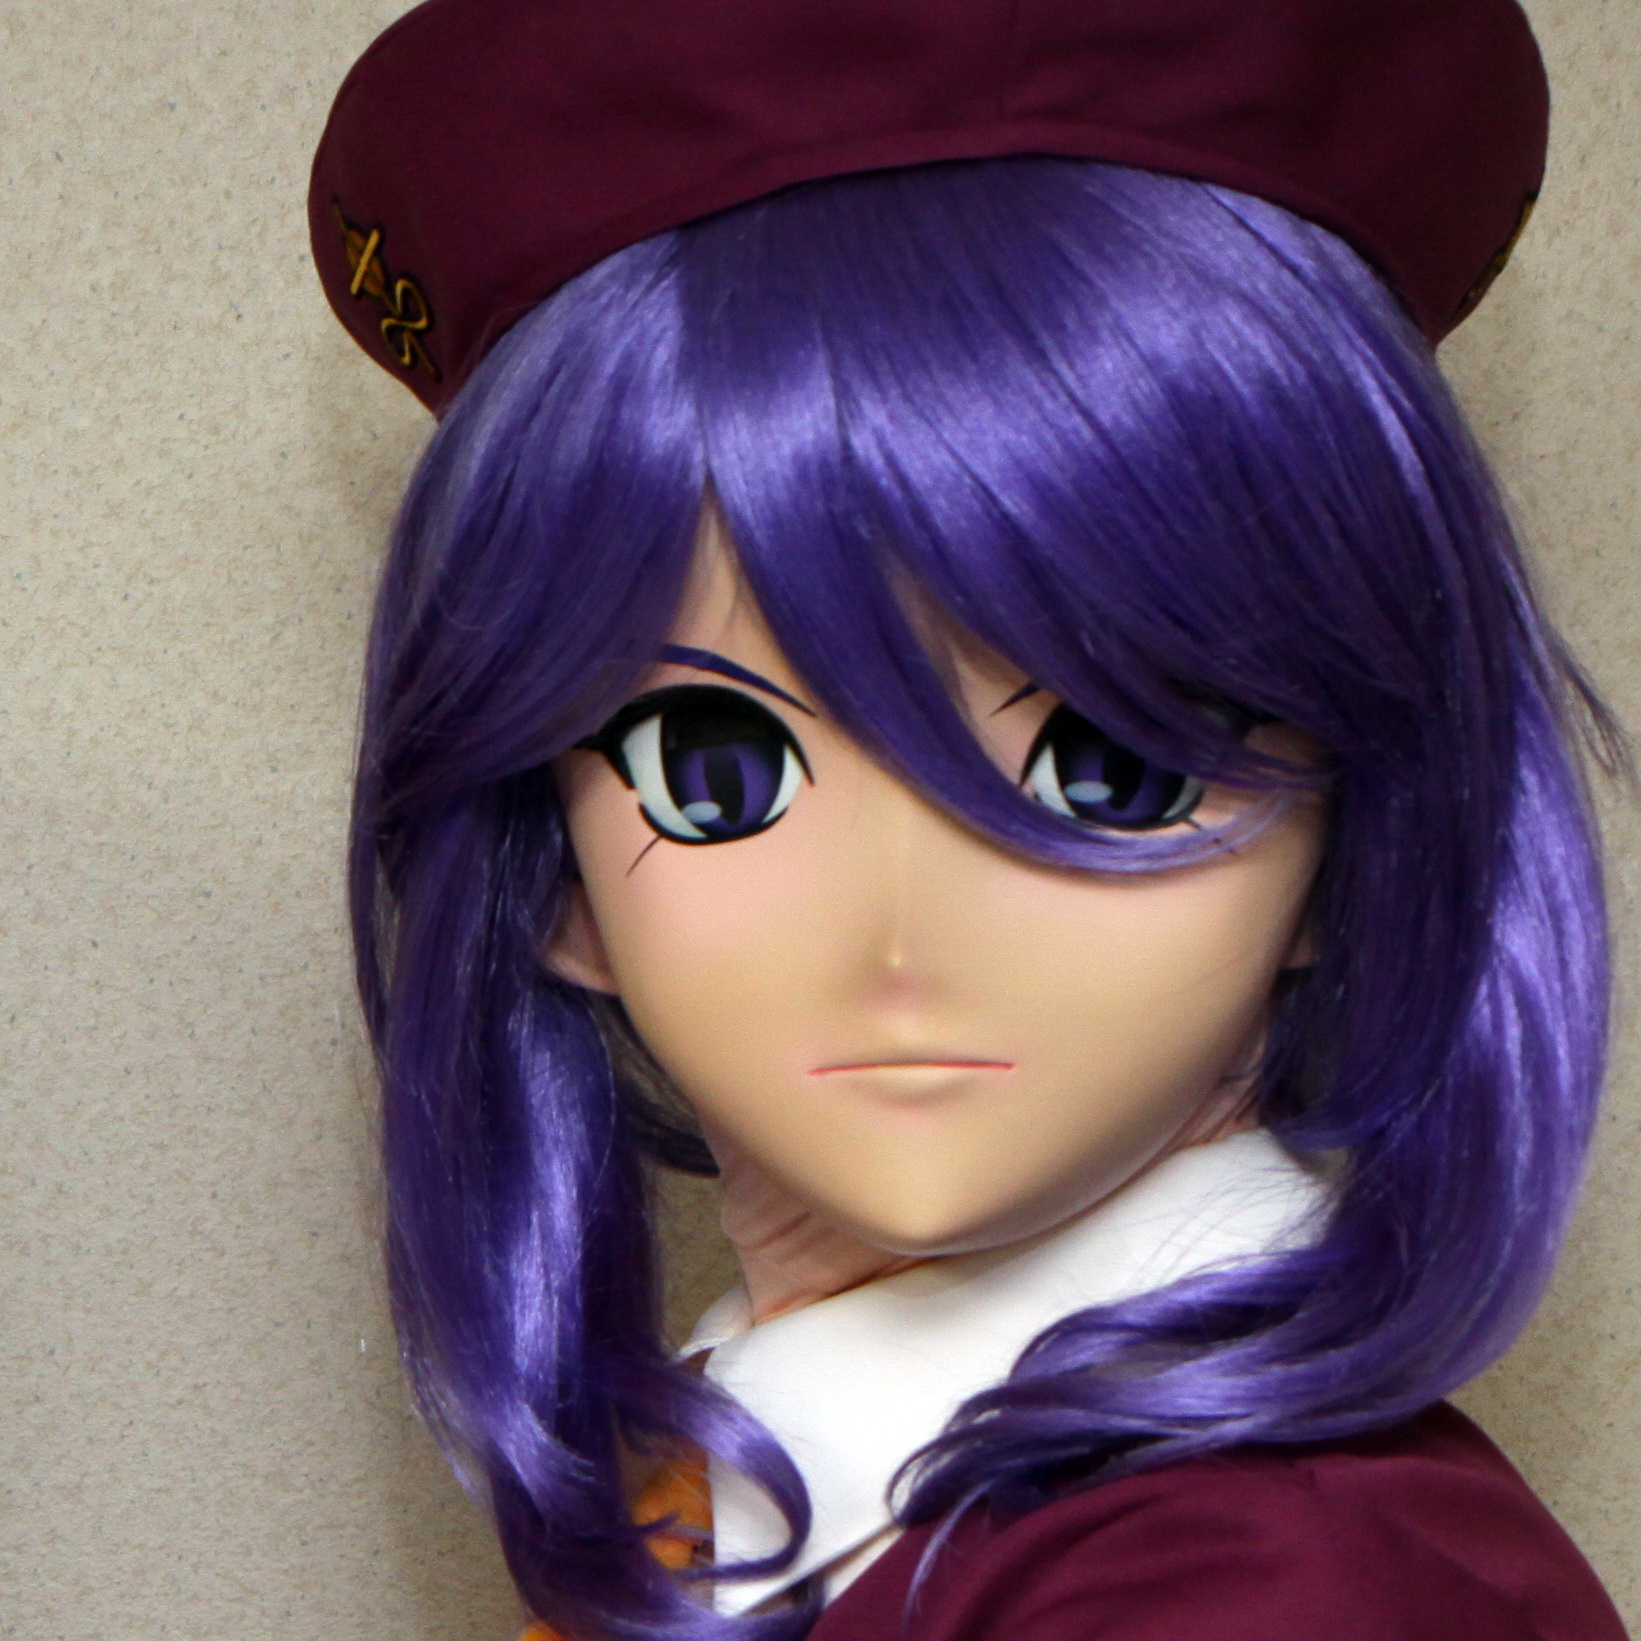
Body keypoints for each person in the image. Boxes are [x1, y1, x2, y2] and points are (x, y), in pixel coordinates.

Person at [309, 2, 1629, 1636]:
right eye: (713, 767)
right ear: (552, 873)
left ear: (1354, 843)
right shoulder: (769, 1508)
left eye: (1112, 767)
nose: (900, 936)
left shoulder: (1270, 1592)